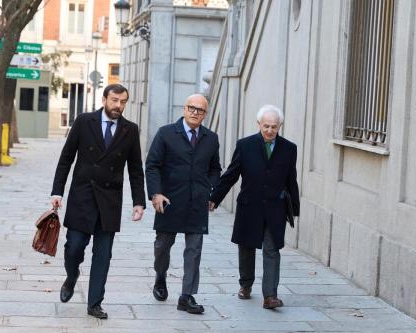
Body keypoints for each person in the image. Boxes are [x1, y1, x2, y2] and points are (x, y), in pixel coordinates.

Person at [50, 84, 145, 319]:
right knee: (73, 248)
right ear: (104, 100)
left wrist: (138, 201)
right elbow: (66, 159)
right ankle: (71, 277)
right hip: (82, 195)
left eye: (123, 102)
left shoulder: (130, 130)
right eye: (114, 100)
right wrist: (57, 192)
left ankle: (95, 303)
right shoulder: (84, 121)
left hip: (109, 200)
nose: (118, 106)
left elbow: (135, 168)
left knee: (103, 254)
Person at [209, 104, 299, 309]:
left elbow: (291, 179)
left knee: (272, 249)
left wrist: (294, 206)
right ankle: (246, 284)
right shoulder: (245, 145)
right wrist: (215, 197)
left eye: (274, 127)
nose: (269, 131)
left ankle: (270, 295)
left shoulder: (289, 148)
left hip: (276, 207)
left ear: (280, 126)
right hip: (250, 205)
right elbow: (231, 174)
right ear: (258, 124)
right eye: (266, 126)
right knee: (247, 247)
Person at [146, 94, 221, 314]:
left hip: (197, 203)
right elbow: (152, 165)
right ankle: (160, 277)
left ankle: (187, 296)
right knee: (162, 247)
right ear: (184, 109)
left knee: (194, 250)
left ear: (205, 114)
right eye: (192, 108)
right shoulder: (166, 133)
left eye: (200, 110)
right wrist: (156, 194)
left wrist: (211, 190)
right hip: (169, 201)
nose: (195, 112)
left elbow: (215, 168)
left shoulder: (211, 138)